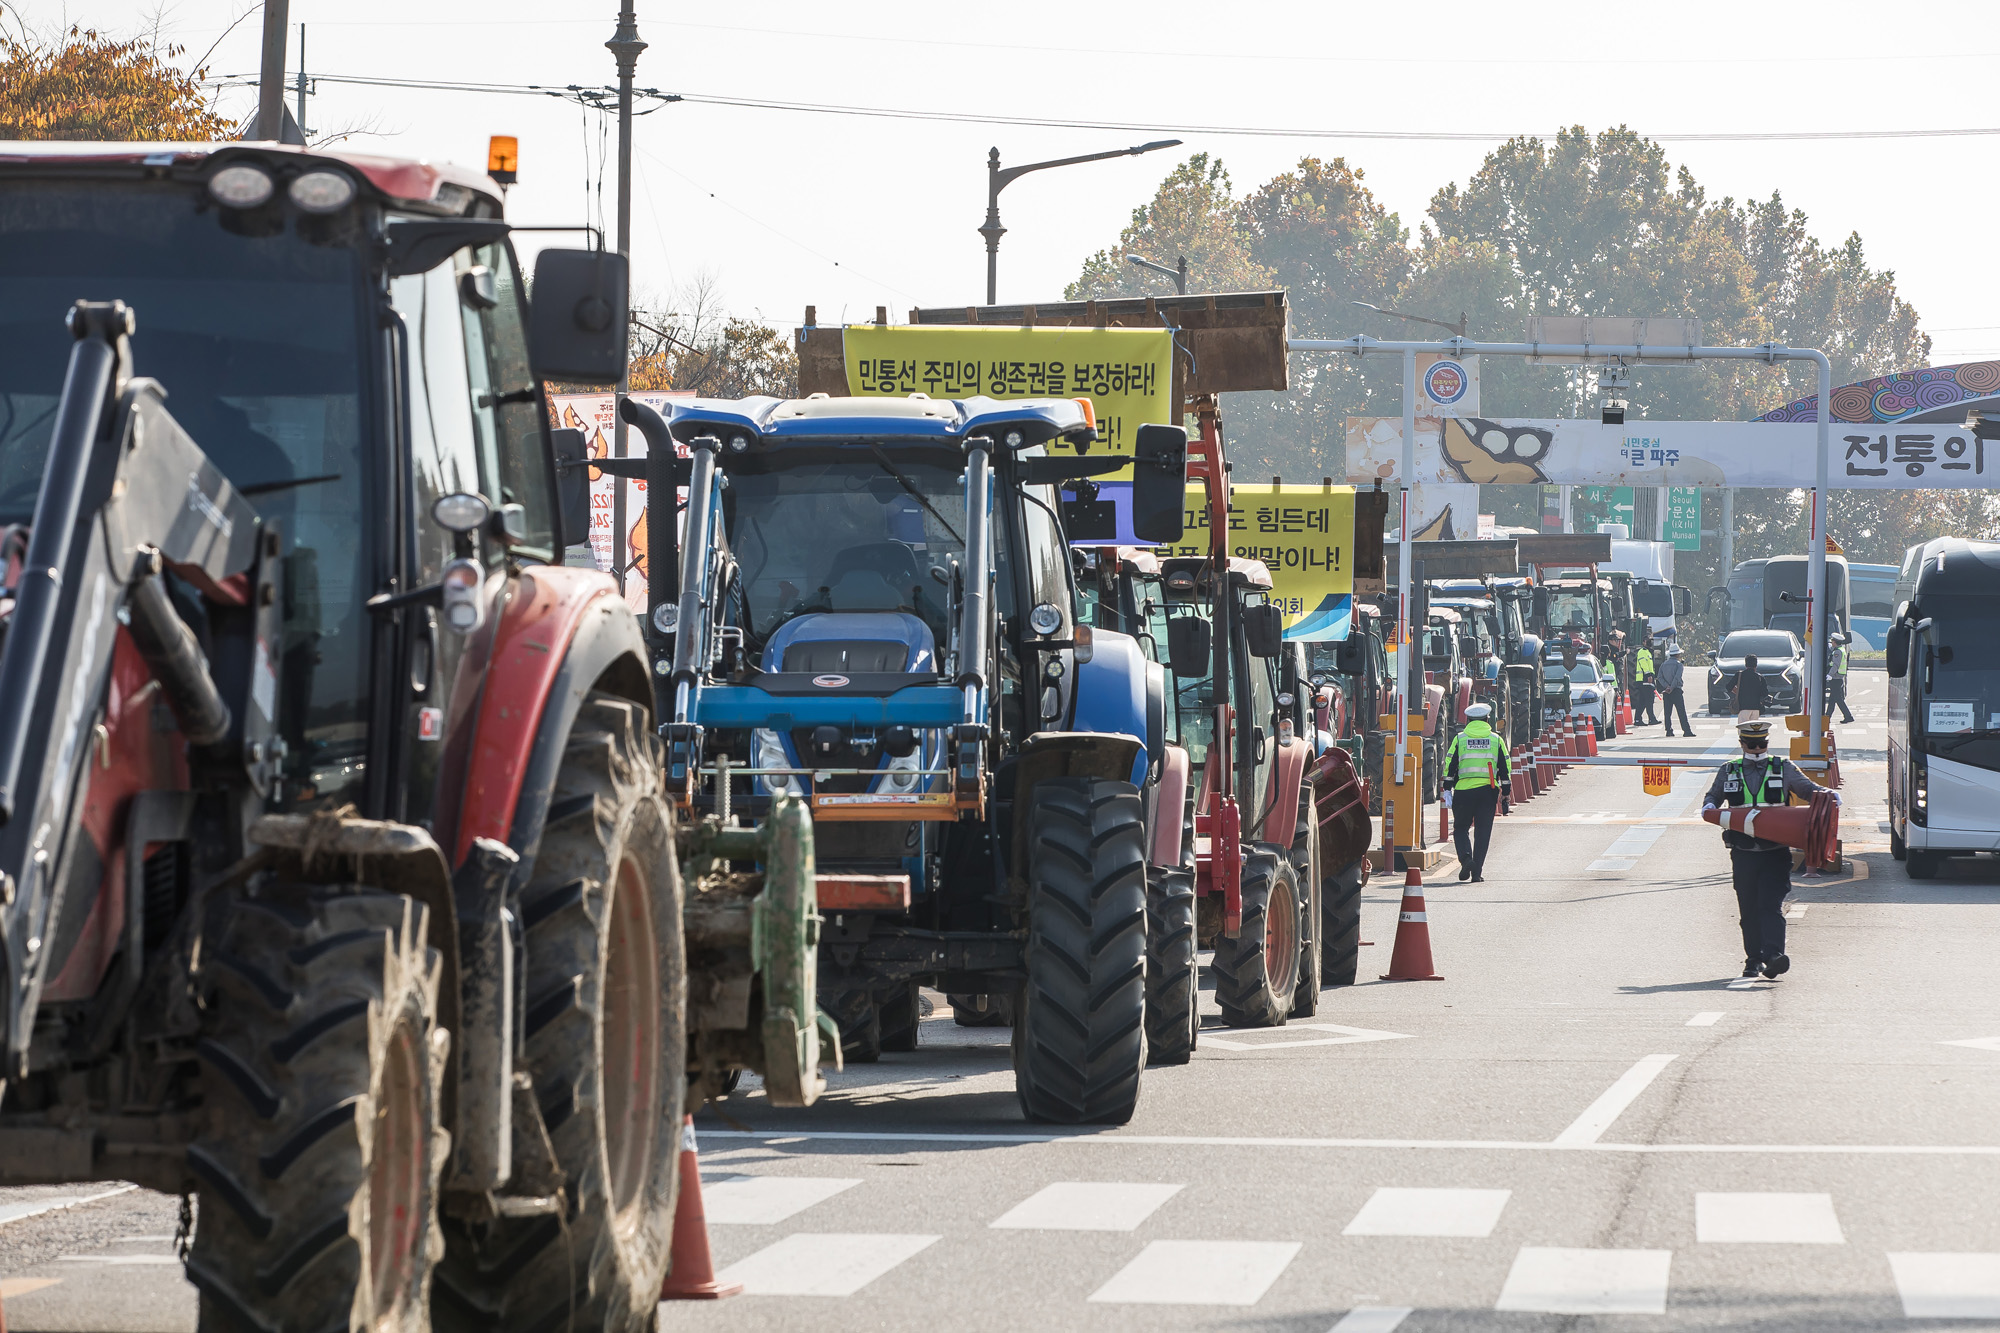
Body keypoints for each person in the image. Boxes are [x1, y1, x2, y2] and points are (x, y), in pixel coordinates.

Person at [1702, 720, 1838, 978]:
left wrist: (1828, 795)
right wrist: (1708, 806)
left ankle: (1774, 955)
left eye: (1761, 744)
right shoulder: (1729, 770)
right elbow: (1714, 797)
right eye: (1751, 744)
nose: (1756, 749)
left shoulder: (1783, 767)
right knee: (1749, 909)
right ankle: (1753, 959)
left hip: (1775, 852)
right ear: (1742, 743)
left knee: (1770, 905)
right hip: (1743, 853)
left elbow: (1809, 791)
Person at [1444, 702, 1509, 883]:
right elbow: (1505, 767)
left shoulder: (1460, 739)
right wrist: (1506, 792)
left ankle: (1466, 859)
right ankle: (1476, 872)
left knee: (1461, 828)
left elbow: (1450, 764)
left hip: (1463, 792)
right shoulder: (1496, 739)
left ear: (1468, 719)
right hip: (1487, 792)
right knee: (1483, 831)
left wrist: (1447, 789)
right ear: (1488, 719)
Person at [1656, 643, 1693, 736]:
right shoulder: (1679, 665)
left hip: (1666, 691)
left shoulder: (1664, 664)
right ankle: (1686, 731)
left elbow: (1659, 677)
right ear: (1677, 654)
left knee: (1667, 712)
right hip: (1676, 690)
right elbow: (1677, 677)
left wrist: (1667, 686)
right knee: (1681, 712)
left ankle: (1668, 731)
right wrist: (1671, 687)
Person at [1731, 653, 1768, 722]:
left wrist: (1737, 691)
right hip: (1756, 709)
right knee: (1753, 730)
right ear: (1756, 665)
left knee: (1743, 729)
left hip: (1743, 708)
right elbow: (1765, 693)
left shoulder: (1739, 675)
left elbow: (1729, 686)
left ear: (1745, 665)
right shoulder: (1760, 677)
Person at [1829, 631, 1856, 724]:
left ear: (1835, 642)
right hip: (1839, 677)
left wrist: (1830, 675)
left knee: (1838, 699)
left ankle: (1848, 716)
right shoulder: (1842, 649)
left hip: (1836, 678)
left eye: (1832, 641)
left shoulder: (1837, 652)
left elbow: (1835, 665)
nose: (1831, 643)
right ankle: (1827, 716)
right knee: (1832, 699)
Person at [1633, 636, 1658, 725]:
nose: (1650, 642)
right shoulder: (1643, 652)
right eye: (1648, 641)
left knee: (1642, 701)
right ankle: (1651, 719)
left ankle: (1637, 719)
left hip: (1645, 679)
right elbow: (1643, 664)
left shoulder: (1647, 652)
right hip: (1645, 679)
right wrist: (1648, 675)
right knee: (1649, 700)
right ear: (1643, 642)